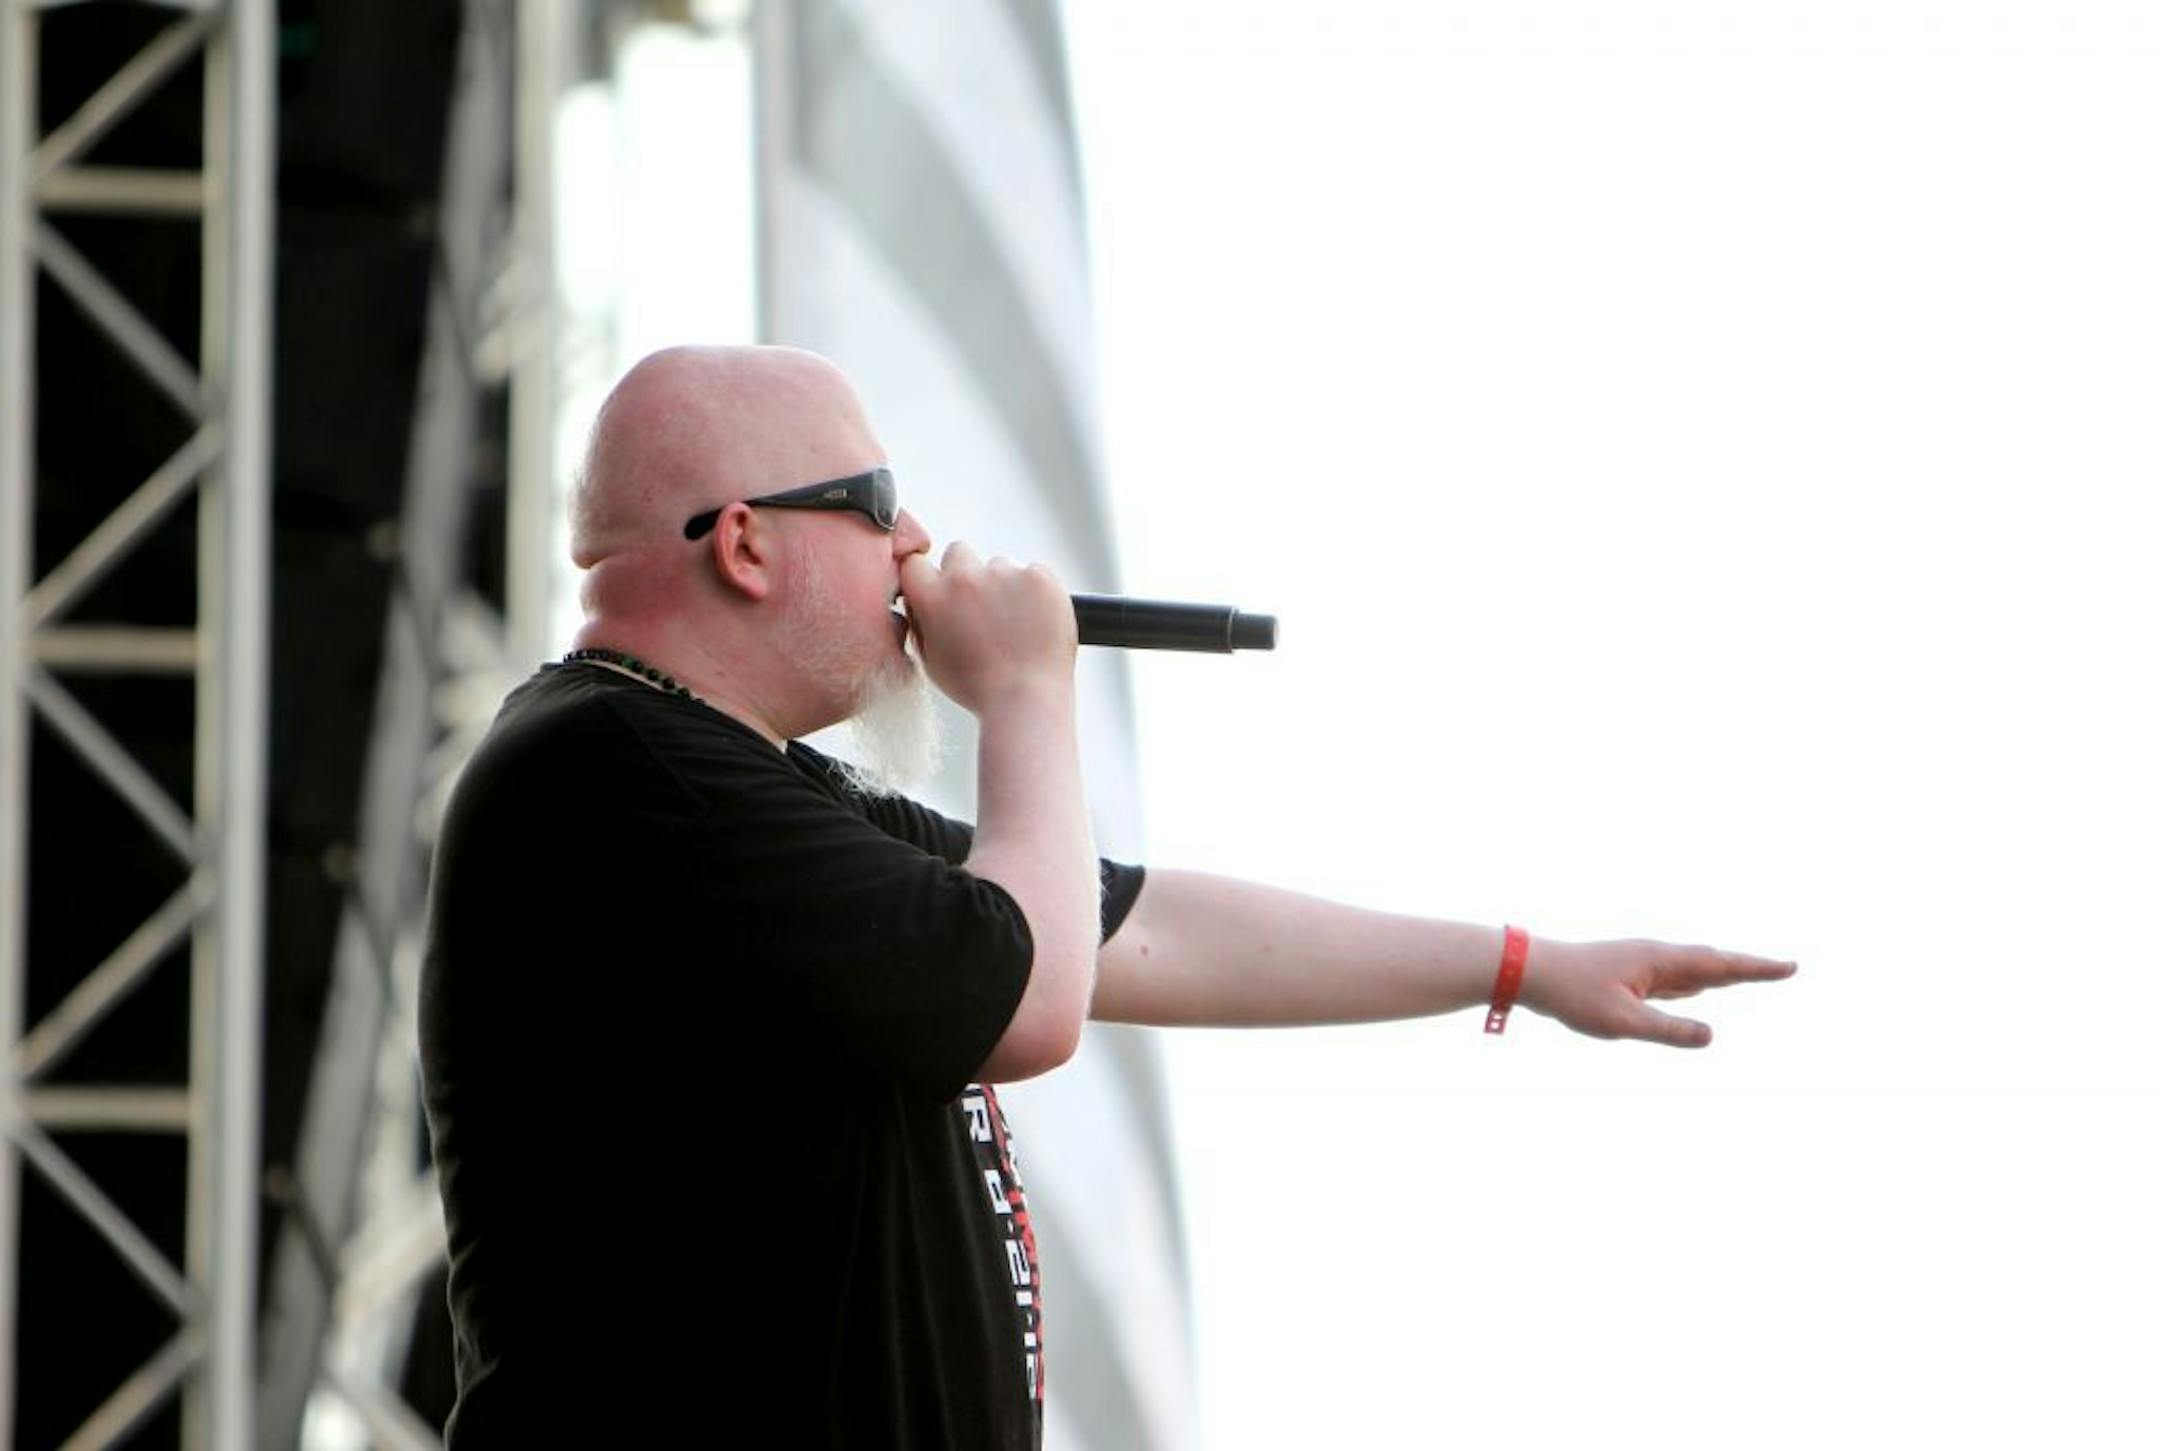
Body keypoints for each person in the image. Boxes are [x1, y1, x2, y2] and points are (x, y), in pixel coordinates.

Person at [418, 344, 1797, 1448]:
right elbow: (1027, 991)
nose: (915, 544)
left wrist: (1522, 965)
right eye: (876, 503)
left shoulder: (740, 786)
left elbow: (1130, 930)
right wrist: (1026, 691)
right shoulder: (617, 768)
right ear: (744, 544)